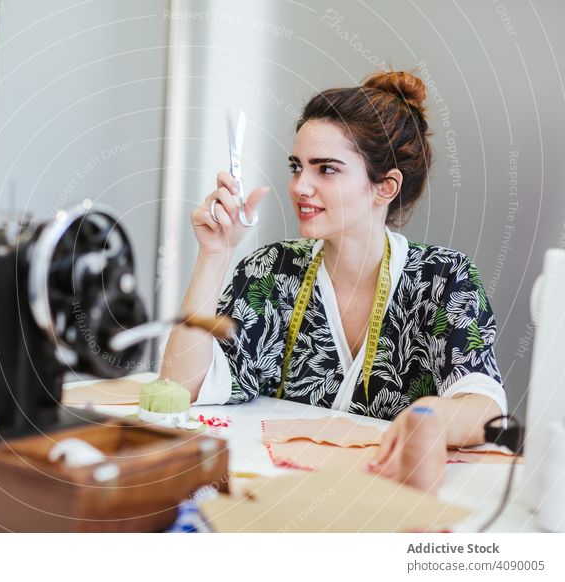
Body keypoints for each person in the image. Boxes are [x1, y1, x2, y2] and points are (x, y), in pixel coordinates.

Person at [160, 70, 506, 479]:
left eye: (326, 169)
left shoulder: (443, 278)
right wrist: (215, 254)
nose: (299, 186)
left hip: (384, 503)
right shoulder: (272, 271)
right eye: (296, 167)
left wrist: (431, 416)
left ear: (385, 187)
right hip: (277, 496)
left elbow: (486, 408)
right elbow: (182, 386)